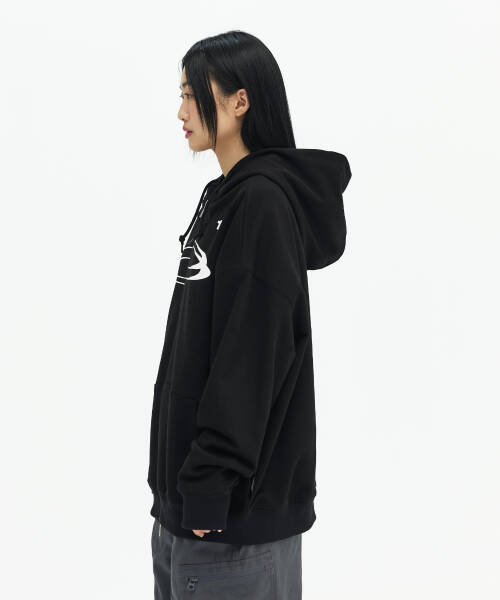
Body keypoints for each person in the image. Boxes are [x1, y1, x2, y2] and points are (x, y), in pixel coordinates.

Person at [147, 30, 351, 599]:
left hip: (230, 523)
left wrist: (209, 483)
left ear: (240, 101)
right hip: (187, 514)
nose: (181, 111)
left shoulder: (261, 202)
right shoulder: (223, 196)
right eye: (181, 95)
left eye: (194, 95)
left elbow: (253, 353)